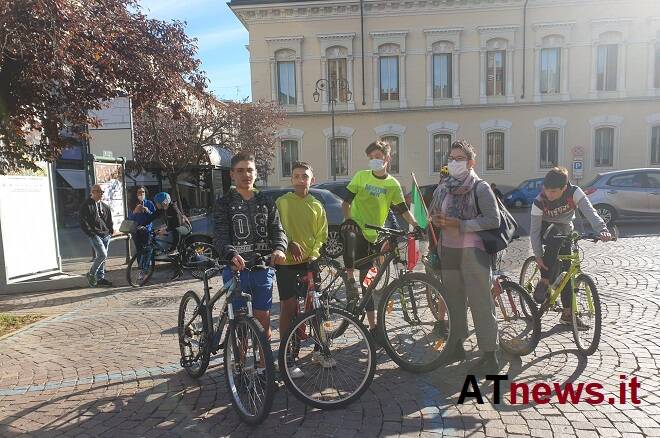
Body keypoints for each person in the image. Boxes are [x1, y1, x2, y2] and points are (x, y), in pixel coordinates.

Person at [429, 139, 501, 375]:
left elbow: (493, 220)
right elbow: (432, 215)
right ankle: (456, 345)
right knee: (454, 301)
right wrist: (436, 220)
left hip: (474, 252)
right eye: (451, 158)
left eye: (459, 159)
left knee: (481, 303)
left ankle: (490, 355)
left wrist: (461, 224)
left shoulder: (480, 187)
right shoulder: (443, 187)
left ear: (471, 162)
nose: (453, 162)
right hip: (448, 250)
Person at [341, 140, 423, 339]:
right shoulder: (361, 177)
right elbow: (346, 202)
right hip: (357, 229)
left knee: (368, 283)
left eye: (377, 157)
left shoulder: (392, 184)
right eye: (371, 158)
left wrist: (418, 226)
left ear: (387, 158)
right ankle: (349, 279)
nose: (374, 161)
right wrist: (349, 218)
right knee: (349, 234)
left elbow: (403, 210)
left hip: (374, 236)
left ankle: (372, 326)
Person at [213, 151, 287, 345]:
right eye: (240, 171)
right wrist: (231, 253)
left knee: (263, 321)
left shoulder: (266, 202)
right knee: (240, 324)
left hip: (262, 269)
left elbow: (278, 230)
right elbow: (220, 235)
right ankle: (239, 367)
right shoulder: (224, 203)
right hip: (235, 270)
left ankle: (264, 369)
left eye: (250, 170)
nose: (246, 175)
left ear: (256, 173)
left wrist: (279, 248)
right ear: (232, 174)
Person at [530, 167, 611, 326]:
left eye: (553, 191)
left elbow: (590, 212)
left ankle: (567, 314)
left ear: (564, 188)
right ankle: (545, 280)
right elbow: (534, 232)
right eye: (547, 190)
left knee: (568, 273)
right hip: (546, 228)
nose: (549, 194)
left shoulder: (574, 192)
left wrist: (602, 230)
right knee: (555, 236)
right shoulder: (539, 201)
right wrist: (538, 255)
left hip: (566, 226)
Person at [275, 161, 329, 378]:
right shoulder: (282, 202)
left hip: (309, 263)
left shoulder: (317, 205)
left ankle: (320, 350)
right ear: (291, 179)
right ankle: (287, 355)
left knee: (316, 307)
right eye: (296, 176)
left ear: (311, 180)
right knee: (288, 308)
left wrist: (314, 255)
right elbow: (278, 228)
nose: (300, 179)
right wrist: (289, 243)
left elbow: (321, 235)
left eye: (304, 176)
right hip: (287, 263)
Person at [79, 184, 119, 287]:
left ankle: (100, 278)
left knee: (102, 257)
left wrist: (110, 232)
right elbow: (83, 221)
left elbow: (109, 221)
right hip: (95, 234)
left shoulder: (105, 206)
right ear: (93, 192)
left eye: (102, 192)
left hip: (106, 235)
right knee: (102, 255)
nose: (101, 194)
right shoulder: (86, 205)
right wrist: (91, 233)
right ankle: (91, 273)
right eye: (99, 191)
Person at [127, 186, 156, 254]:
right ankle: (140, 264)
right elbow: (129, 218)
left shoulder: (149, 203)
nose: (141, 194)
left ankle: (147, 264)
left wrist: (148, 211)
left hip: (146, 229)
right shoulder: (132, 204)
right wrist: (135, 211)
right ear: (136, 194)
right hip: (135, 230)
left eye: (143, 192)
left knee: (147, 248)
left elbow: (155, 216)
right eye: (139, 192)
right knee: (139, 249)